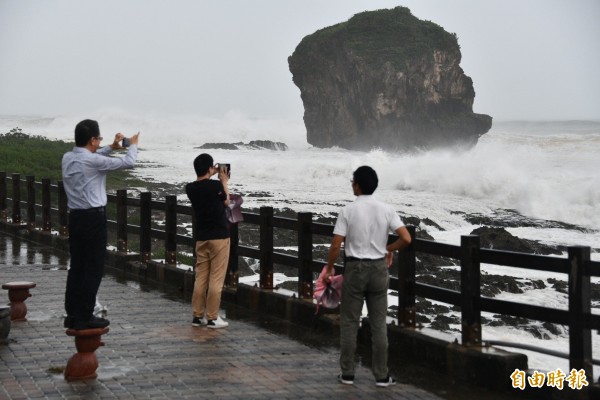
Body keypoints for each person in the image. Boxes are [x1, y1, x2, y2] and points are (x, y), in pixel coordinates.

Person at [325, 165, 412, 387]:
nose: (351, 185)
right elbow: (406, 238)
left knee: (349, 322)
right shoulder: (386, 209)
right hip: (378, 270)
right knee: (378, 324)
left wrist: (329, 267)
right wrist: (388, 249)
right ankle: (382, 376)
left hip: (354, 269)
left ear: (357, 185)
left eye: (353, 181)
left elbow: (336, 244)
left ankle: (347, 374)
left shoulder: (348, 210)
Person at [62, 119, 140, 330]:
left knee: (77, 267)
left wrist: (110, 147)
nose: (100, 141)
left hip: (76, 218)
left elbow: (91, 157)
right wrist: (132, 145)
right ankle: (86, 315)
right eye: (99, 138)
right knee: (94, 268)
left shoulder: (68, 157)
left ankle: (72, 313)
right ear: (92, 140)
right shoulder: (93, 162)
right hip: (93, 219)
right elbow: (128, 163)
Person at [186, 153, 231, 329]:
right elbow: (226, 202)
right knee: (216, 279)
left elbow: (202, 184)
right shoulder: (216, 186)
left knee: (201, 278)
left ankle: (197, 316)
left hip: (201, 237)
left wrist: (209, 173)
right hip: (219, 237)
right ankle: (212, 317)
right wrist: (224, 181)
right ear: (209, 168)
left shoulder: (190, 188)